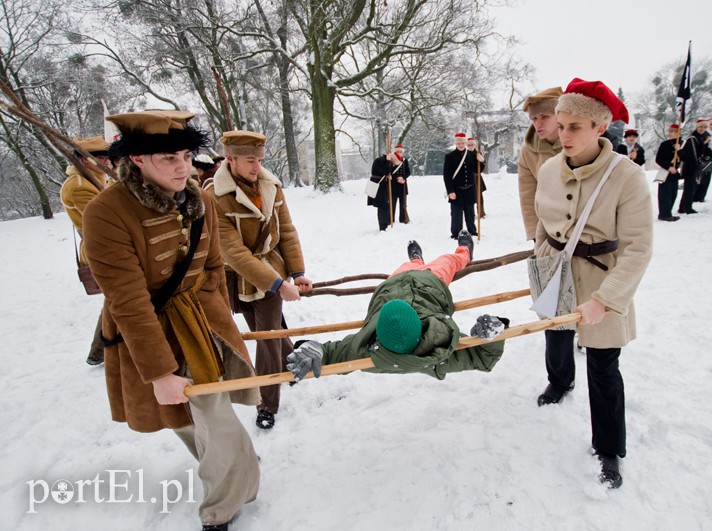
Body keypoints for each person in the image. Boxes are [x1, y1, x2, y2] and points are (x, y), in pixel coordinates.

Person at [82, 110, 260, 531]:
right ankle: (230, 464)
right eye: (168, 158)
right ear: (138, 160)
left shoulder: (198, 197)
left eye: (185, 155)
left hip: (201, 324)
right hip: (147, 329)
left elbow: (214, 268)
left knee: (214, 416)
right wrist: (161, 372)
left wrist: (217, 322)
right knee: (179, 416)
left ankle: (222, 504)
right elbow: (127, 300)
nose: (183, 167)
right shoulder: (105, 212)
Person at [534, 79, 653, 488]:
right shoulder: (549, 169)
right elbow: (544, 224)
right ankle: (558, 379)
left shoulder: (628, 177)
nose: (562, 135)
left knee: (603, 365)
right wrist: (540, 265)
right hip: (555, 268)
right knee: (555, 334)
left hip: (603, 276)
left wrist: (607, 299)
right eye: (561, 125)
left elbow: (638, 249)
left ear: (600, 128)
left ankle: (608, 448)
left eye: (574, 127)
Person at [286, 231, 509, 382]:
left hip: (391, 285)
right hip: (429, 284)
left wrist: (314, 349)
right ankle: (464, 251)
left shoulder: (362, 348)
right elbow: (483, 358)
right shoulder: (439, 347)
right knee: (448, 261)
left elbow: (332, 353)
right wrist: (492, 333)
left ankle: (416, 259)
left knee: (407, 265)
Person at [206, 130, 312, 431]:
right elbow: (234, 252)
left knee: (265, 338)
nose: (257, 166)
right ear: (231, 159)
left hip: (271, 271)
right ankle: (294, 362)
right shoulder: (214, 196)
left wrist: (297, 272)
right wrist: (279, 285)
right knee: (268, 330)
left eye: (260, 160)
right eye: (250, 160)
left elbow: (287, 232)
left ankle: (268, 404)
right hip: (236, 277)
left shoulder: (272, 187)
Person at [60, 135, 112, 366]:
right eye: (98, 157)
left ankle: (100, 352)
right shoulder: (79, 187)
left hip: (109, 246)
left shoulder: (96, 178)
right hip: (101, 248)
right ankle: (100, 352)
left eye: (106, 157)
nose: (106, 162)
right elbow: (103, 222)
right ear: (83, 160)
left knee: (117, 300)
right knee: (119, 299)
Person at [518, 86, 563, 242]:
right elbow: (528, 194)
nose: (538, 123)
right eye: (534, 118)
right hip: (548, 229)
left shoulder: (579, 142)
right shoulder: (528, 151)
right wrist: (535, 234)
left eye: (544, 116)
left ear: (560, 115)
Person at [443, 132, 484, 239]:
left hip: (470, 189)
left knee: (470, 214)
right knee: (456, 214)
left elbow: (477, 170)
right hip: (456, 190)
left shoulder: (471, 155)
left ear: (465, 143)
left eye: (462, 143)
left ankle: (472, 231)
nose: (461, 145)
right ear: (456, 143)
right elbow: (447, 176)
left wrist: (481, 161)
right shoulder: (449, 157)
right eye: (459, 143)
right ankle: (456, 233)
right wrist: (450, 191)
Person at [368, 147, 408, 230]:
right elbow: (386, 171)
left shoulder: (388, 162)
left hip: (384, 187)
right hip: (379, 187)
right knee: (383, 206)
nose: (393, 165)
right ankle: (384, 226)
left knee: (385, 206)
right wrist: (389, 165)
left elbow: (387, 172)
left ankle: (386, 225)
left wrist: (400, 178)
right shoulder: (380, 161)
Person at [677, 119, 709, 215]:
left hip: (696, 166)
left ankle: (683, 207)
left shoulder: (703, 137)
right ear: (696, 127)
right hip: (691, 166)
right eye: (700, 126)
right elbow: (694, 154)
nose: (702, 129)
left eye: (704, 127)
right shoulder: (692, 139)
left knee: (691, 188)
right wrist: (704, 144)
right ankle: (687, 207)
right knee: (689, 188)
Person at [654, 124, 682, 222]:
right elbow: (658, 159)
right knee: (664, 194)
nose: (670, 133)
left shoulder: (682, 144)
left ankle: (668, 212)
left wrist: (680, 150)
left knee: (673, 194)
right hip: (666, 172)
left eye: (673, 131)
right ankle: (664, 214)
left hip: (675, 173)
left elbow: (686, 157)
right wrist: (669, 167)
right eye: (669, 131)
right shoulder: (665, 144)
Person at [694, 117, 712, 202]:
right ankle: (695, 196)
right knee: (699, 177)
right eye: (711, 124)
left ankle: (701, 196)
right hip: (702, 157)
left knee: (707, 179)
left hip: (711, 158)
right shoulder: (705, 133)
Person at [468, 137, 488, 218]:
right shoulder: (465, 154)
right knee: (470, 195)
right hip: (468, 178)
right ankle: (470, 212)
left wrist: (482, 161)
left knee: (479, 195)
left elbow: (482, 168)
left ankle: (481, 212)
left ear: (474, 145)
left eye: (472, 144)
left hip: (477, 177)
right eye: (469, 145)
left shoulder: (478, 154)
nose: (470, 146)